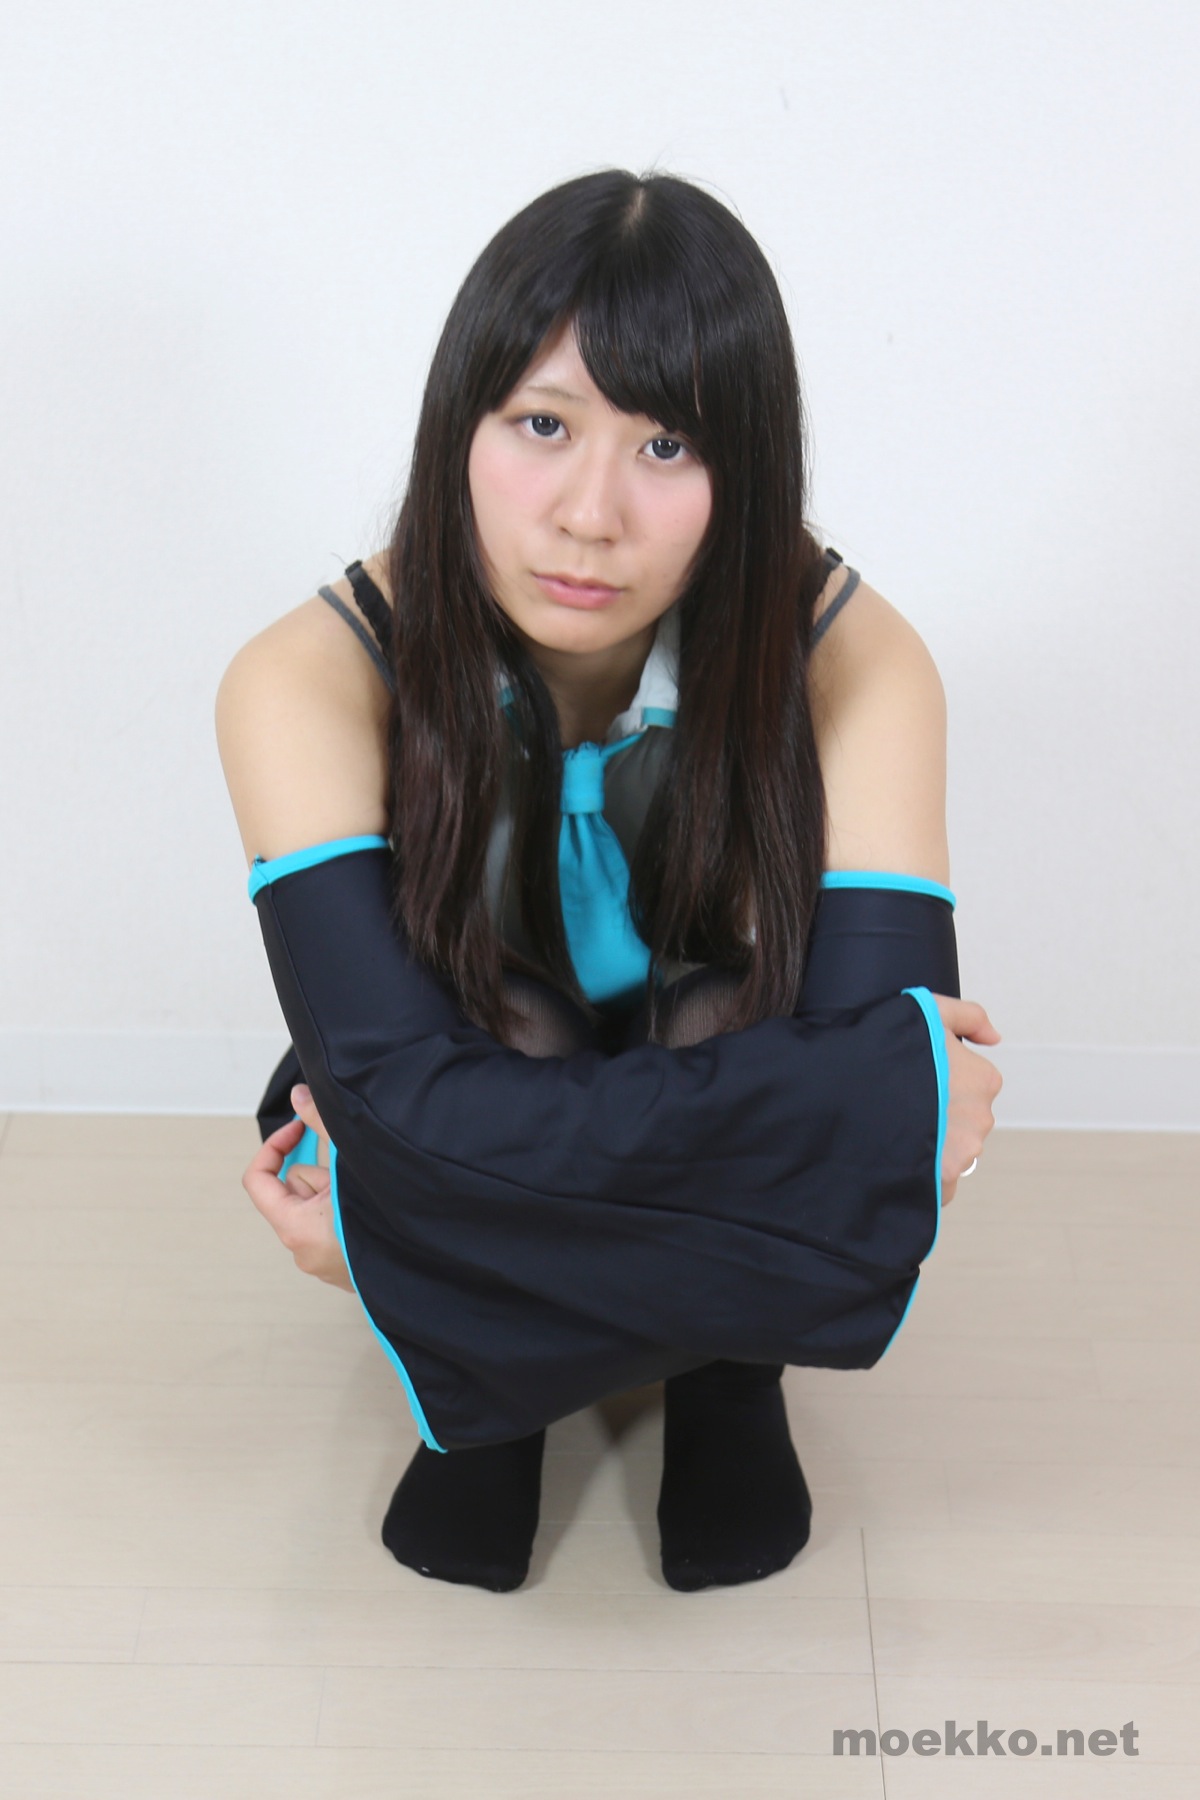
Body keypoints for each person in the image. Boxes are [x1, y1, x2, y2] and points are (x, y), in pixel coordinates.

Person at [216, 168, 1002, 1596]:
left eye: (669, 444)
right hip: (470, 1040)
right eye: (543, 424)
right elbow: (397, 1097)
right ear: (458, 425)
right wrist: (813, 1176)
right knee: (482, 1059)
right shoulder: (306, 674)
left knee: (738, 1033)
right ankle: (515, 1402)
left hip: (703, 1039)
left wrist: (400, 1237)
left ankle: (708, 1382)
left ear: (746, 470)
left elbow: (899, 1103)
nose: (590, 514)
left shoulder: (856, 657)